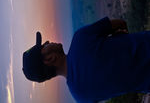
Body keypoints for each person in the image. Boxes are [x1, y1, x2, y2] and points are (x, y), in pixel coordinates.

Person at [22, 17, 150, 102]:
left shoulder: (80, 96)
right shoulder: (80, 38)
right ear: (50, 59)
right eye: (44, 45)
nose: (47, 42)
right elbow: (120, 23)